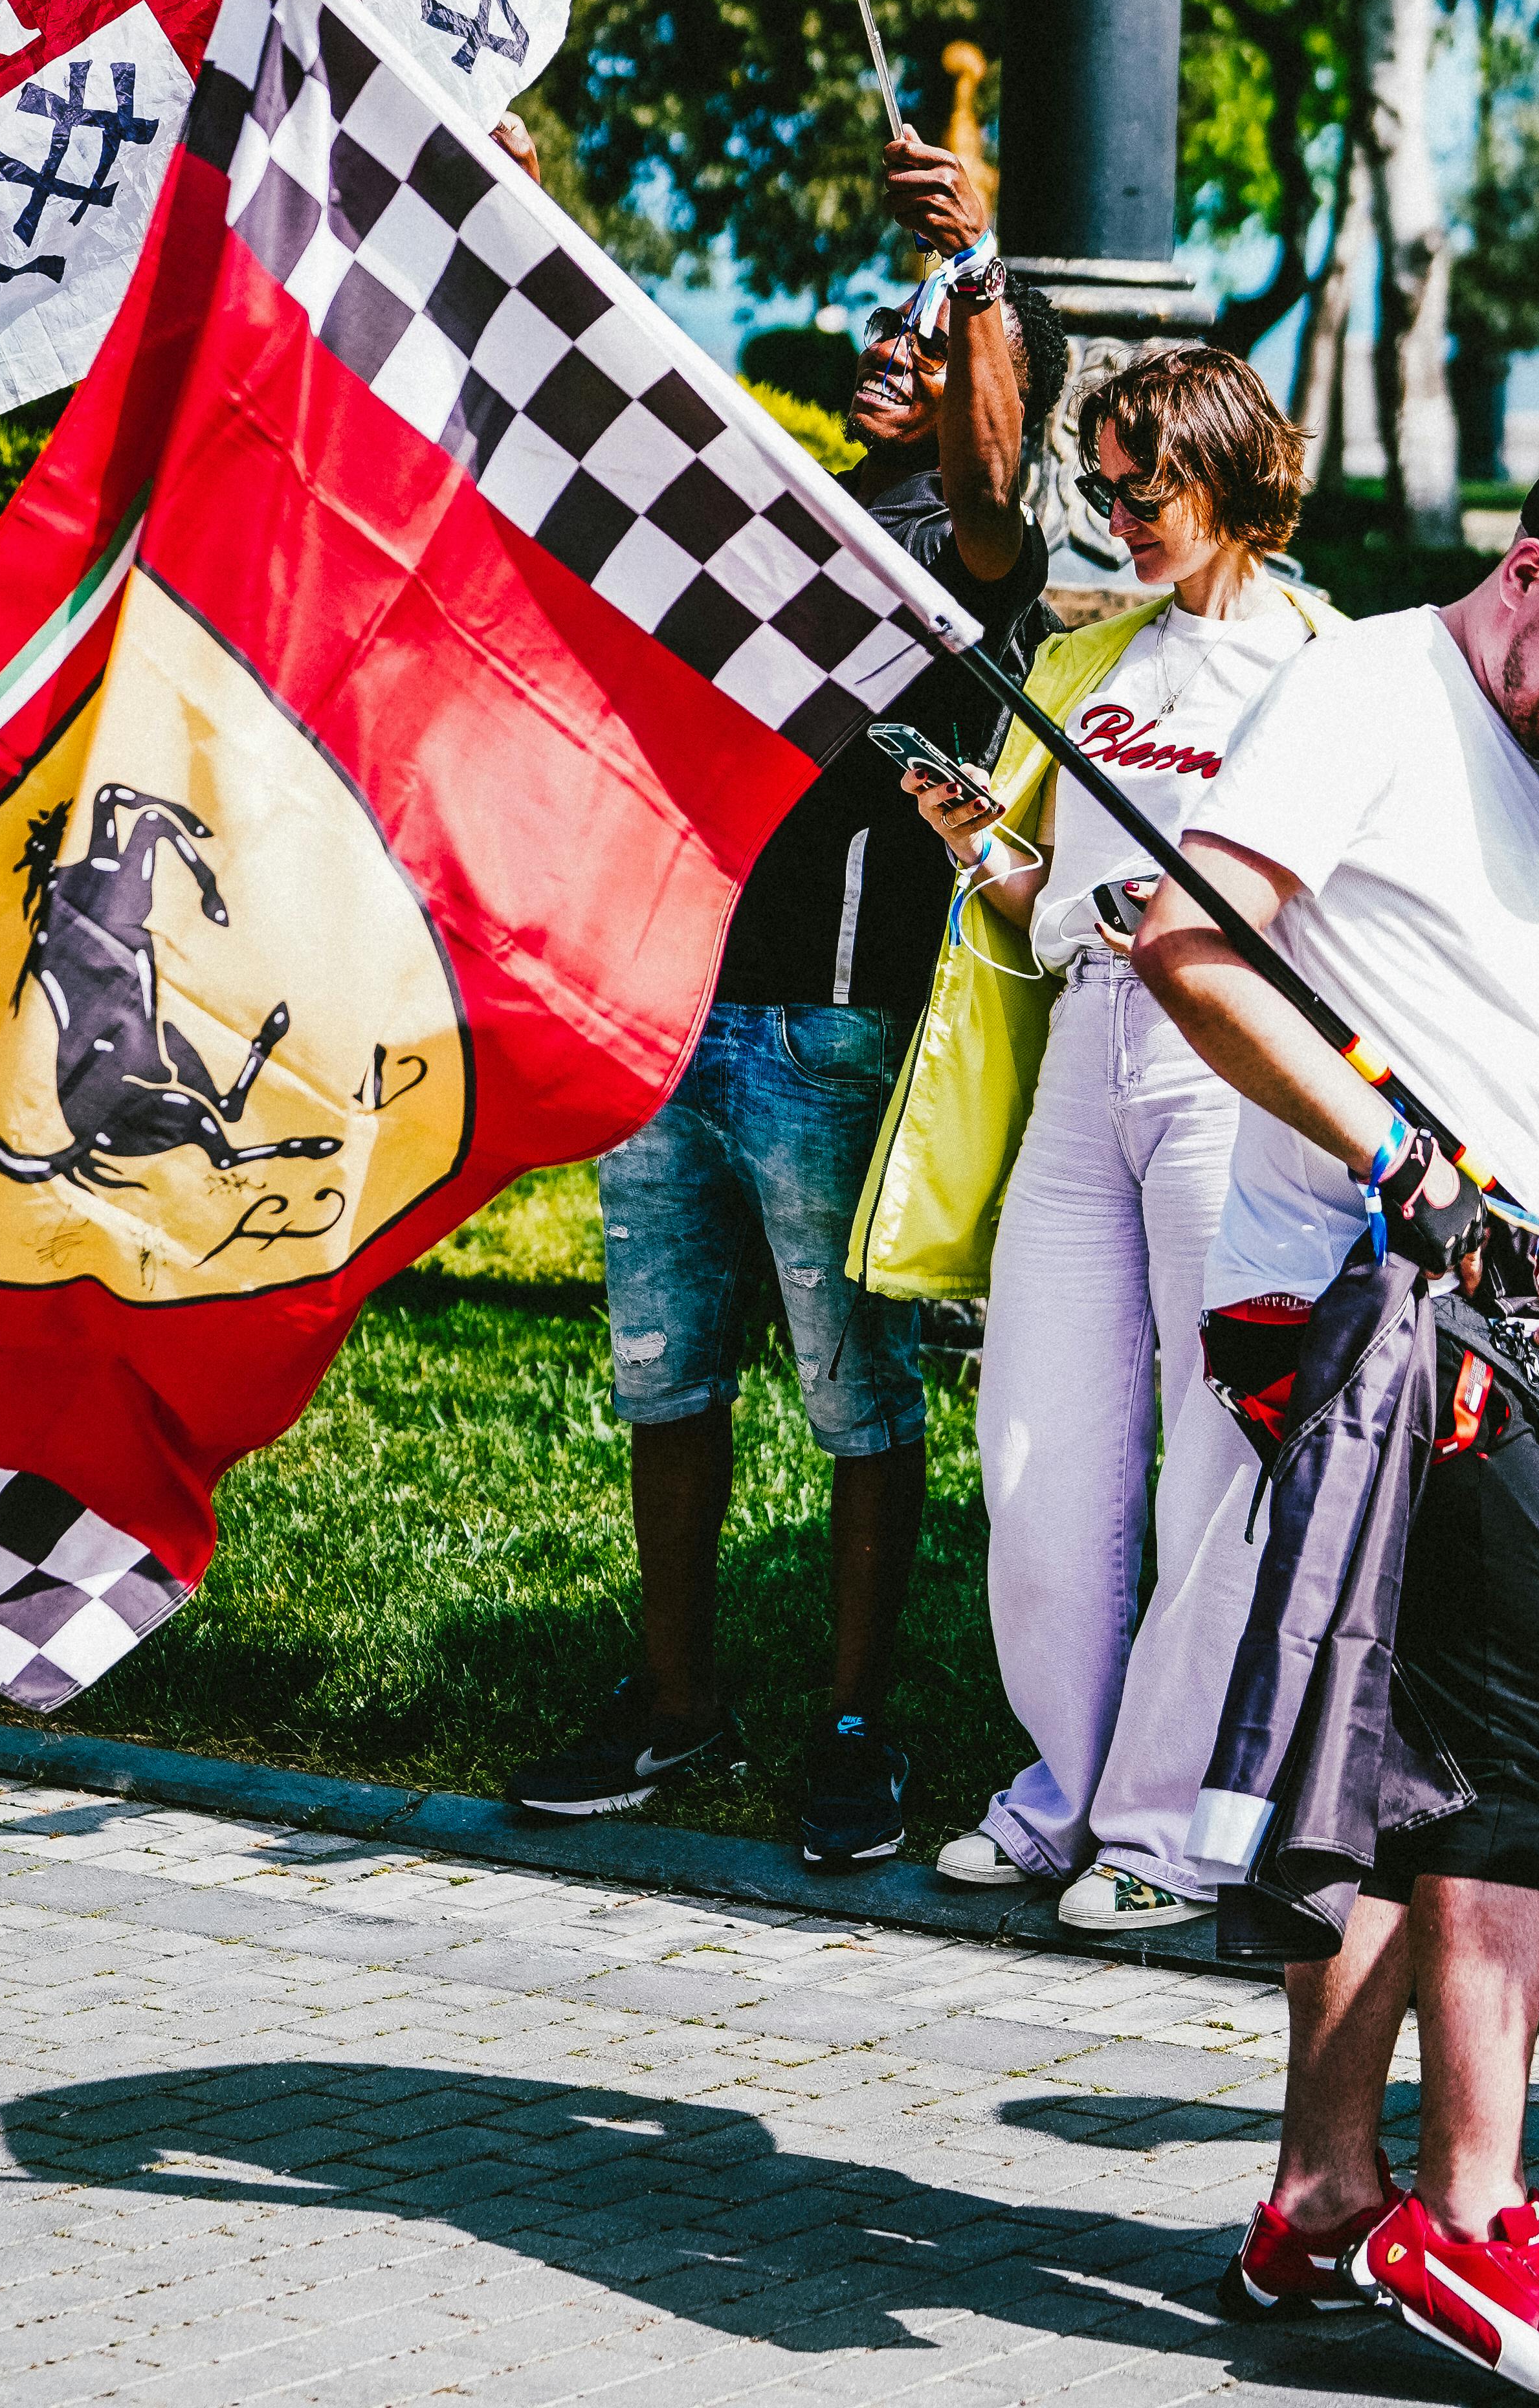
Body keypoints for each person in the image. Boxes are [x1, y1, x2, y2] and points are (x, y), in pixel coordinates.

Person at [1134, 447, 1539, 2408]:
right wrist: (1382, 1145)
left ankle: (1321, 2196)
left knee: (1403, 1746)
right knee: (1537, 1722)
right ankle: (1473, 2224)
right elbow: (1188, 942)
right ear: (1524, 567)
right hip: (1344, 1308)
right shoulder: (1371, 692)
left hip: (1516, 1315)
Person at [506, 132, 1064, 1868]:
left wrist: (978, 262)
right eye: (886, 322)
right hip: (675, 1010)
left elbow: (992, 486)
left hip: (829, 1029)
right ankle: (676, 1703)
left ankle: (850, 1723)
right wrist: (522, 216)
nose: (890, 341)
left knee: (855, 1394)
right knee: (663, 1372)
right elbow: (620, 410)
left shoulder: (970, 547)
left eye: (937, 328)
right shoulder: (791, 516)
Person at [900, 347, 1336, 1928]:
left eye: (1141, 487)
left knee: (1213, 1458)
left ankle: (1172, 1831)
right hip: (1085, 1047)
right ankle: (1061, 1789)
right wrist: (987, 855)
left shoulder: (1325, 669)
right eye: (1097, 487)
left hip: (1231, 1068)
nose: (1116, 517)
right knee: (1036, 1445)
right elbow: (1054, 896)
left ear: (1225, 472)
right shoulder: (1102, 661)